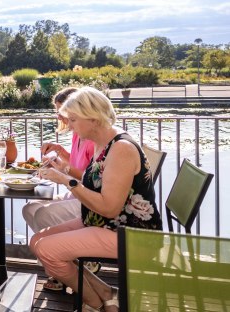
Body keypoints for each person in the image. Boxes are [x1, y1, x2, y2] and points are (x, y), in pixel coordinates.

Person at [30, 87, 162, 311]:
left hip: (129, 234)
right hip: (103, 223)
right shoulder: (103, 142)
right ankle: (106, 293)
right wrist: (65, 169)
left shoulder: (121, 149)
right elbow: (95, 182)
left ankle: (94, 304)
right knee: (36, 242)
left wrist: (66, 181)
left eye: (73, 120)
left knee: (47, 250)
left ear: (93, 118)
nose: (69, 125)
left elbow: (109, 208)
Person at [21, 87, 96, 292]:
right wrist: (60, 152)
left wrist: (63, 172)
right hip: (76, 193)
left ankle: (62, 270)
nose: (59, 116)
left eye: (62, 111)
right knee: (29, 209)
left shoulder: (92, 138)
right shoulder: (77, 135)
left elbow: (90, 177)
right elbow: (77, 164)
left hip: (88, 198)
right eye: (58, 111)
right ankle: (62, 265)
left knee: (43, 214)